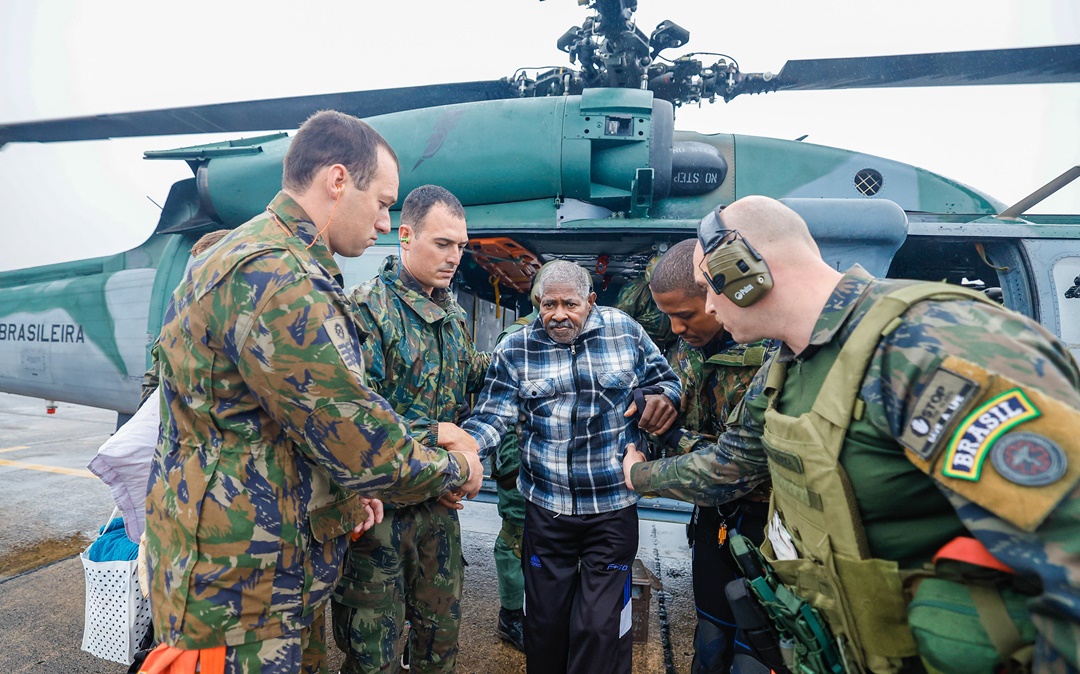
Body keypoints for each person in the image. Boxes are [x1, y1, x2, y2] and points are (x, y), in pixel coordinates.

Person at [624, 195, 1080, 673]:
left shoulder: (925, 346)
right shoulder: (786, 368)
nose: (710, 306)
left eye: (708, 287)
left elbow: (1065, 559)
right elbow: (733, 462)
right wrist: (643, 472)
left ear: (746, 274)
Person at [142, 111, 483, 674]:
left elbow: (273, 425)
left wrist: (343, 496)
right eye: (381, 202)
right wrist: (458, 468)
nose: (382, 223)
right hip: (243, 601)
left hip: (246, 580)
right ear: (338, 180)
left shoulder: (259, 256)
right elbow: (363, 444)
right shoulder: (280, 277)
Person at [461, 259, 682, 674]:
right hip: (548, 510)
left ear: (591, 302)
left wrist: (659, 399)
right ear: (537, 304)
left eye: (570, 304)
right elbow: (493, 415)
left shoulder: (625, 331)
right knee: (543, 627)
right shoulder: (517, 348)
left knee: (600, 629)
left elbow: (668, 381)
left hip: (612, 509)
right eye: (548, 304)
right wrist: (464, 453)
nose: (558, 314)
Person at [331, 184, 490, 674]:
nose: (454, 257)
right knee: (370, 653)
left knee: (439, 645)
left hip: (437, 509)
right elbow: (356, 417)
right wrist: (441, 433)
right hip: (379, 514)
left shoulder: (451, 313)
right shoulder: (366, 310)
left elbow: (463, 384)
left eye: (461, 246)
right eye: (443, 244)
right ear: (405, 235)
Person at [645, 238, 775, 674]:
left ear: (715, 297)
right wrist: (658, 400)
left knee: (754, 653)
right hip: (713, 522)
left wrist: (671, 439)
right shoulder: (689, 350)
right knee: (710, 640)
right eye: (667, 318)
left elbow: (741, 465)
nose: (676, 329)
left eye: (684, 315)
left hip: (763, 528)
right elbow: (680, 391)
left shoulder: (769, 355)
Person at [489, 262, 557, 654]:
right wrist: (511, 467)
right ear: (537, 296)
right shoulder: (515, 338)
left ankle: (541, 615)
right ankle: (511, 616)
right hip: (519, 461)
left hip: (556, 470)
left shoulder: (569, 335)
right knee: (515, 538)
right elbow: (502, 408)